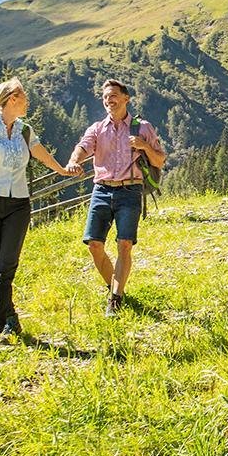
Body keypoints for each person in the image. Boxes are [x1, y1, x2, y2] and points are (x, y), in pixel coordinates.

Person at [0, 78, 72, 355]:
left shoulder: (25, 131)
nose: (27, 102)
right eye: (24, 98)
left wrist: (62, 169)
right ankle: (10, 319)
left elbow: (42, 155)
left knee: (5, 267)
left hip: (18, 205)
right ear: (11, 100)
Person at [65, 79, 166, 316]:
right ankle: (114, 286)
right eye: (105, 97)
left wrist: (144, 146)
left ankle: (116, 299)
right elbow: (83, 146)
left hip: (130, 190)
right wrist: (73, 161)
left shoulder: (143, 128)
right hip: (101, 189)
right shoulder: (97, 128)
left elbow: (160, 160)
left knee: (124, 244)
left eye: (113, 96)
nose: (108, 100)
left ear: (126, 99)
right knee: (94, 245)